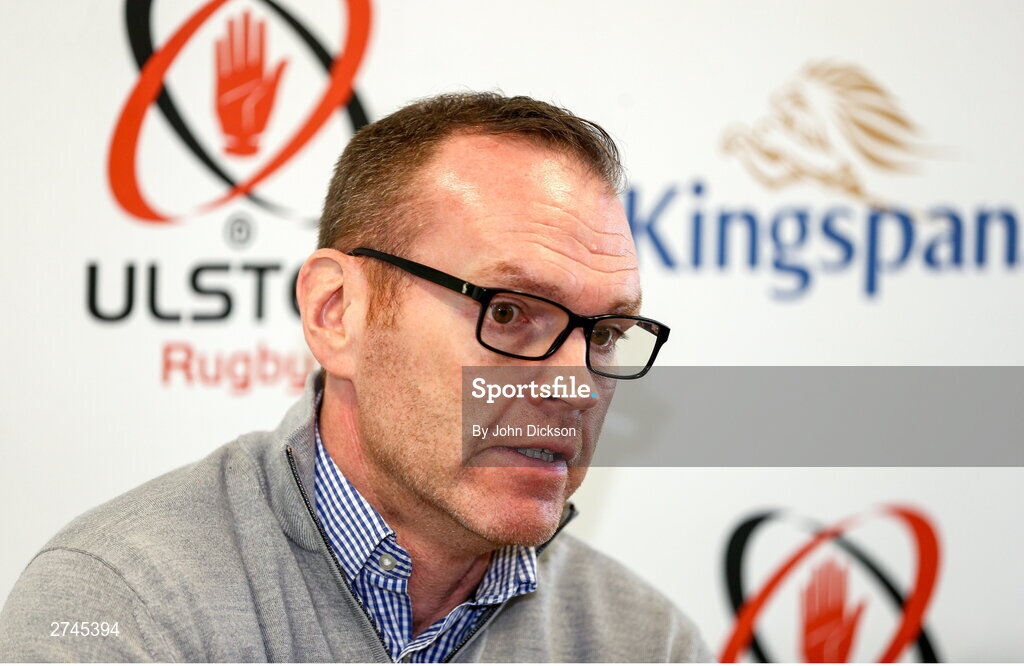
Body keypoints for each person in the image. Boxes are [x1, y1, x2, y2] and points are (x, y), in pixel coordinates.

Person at [0, 92, 710, 662]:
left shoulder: (647, 643)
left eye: (607, 333)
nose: (575, 386)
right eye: (509, 312)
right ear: (337, 314)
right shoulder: (122, 604)